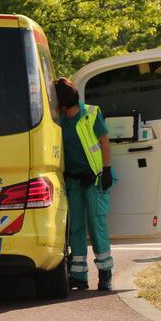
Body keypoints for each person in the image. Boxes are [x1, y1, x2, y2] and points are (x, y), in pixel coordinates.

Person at [54, 78, 114, 291]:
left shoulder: (91, 113)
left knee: (97, 225)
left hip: (94, 178)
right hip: (73, 180)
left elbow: (104, 141)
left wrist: (106, 169)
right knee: (76, 228)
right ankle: (79, 275)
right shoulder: (59, 120)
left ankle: (105, 273)